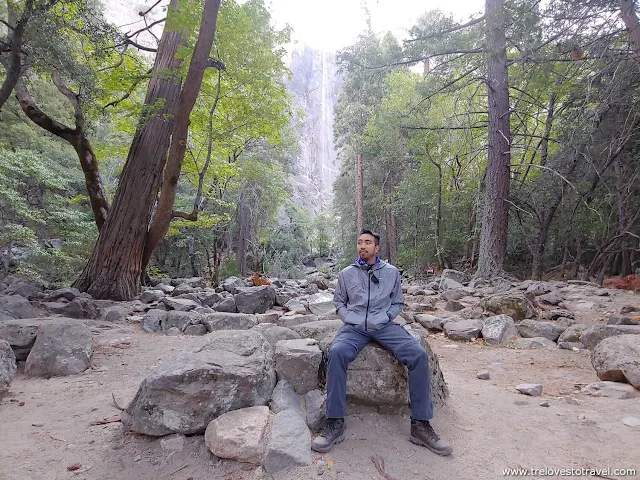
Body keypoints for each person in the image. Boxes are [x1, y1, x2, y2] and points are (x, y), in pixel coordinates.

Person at [311, 229, 453, 456]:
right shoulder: (346, 274)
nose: (362, 246)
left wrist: (385, 317)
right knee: (337, 353)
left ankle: (420, 425)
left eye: (367, 242)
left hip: (385, 326)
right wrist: (348, 318)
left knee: (418, 355)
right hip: (354, 327)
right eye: (359, 242)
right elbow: (339, 302)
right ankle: (335, 422)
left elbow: (398, 303)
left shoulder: (391, 273)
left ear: (377, 248)